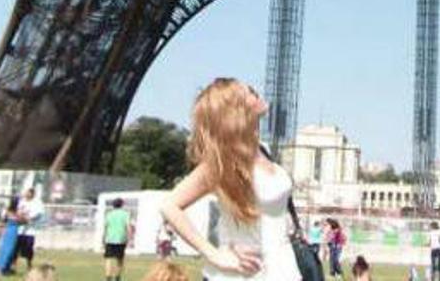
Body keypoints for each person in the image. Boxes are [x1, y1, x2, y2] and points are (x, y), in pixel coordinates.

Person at [160, 78, 299, 280]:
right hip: (244, 273)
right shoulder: (222, 162)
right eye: (249, 92)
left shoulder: (263, 150)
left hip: (282, 268)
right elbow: (169, 205)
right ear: (235, 109)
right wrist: (214, 254)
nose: (256, 92)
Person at [104, 197, 133, 281]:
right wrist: (130, 238)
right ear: (122, 205)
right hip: (121, 239)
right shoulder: (125, 214)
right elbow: (128, 227)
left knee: (108, 259)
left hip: (110, 238)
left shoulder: (109, 214)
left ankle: (108, 277)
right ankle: (117, 277)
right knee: (119, 259)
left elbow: (106, 227)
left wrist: (104, 238)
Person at [16, 188, 45, 271]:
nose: (26, 194)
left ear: (32, 194)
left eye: (28, 193)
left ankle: (29, 263)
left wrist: (30, 218)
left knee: (29, 247)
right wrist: (21, 217)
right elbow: (19, 211)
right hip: (20, 229)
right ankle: (14, 264)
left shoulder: (37, 202)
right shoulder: (22, 201)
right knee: (17, 248)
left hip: (30, 230)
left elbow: (39, 214)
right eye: (26, 193)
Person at [0, 199, 21, 275]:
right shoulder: (13, 213)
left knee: (7, 249)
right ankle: (0, 268)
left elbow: (2, 222)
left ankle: (4, 268)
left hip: (10, 231)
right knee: (7, 250)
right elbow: (20, 220)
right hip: (11, 231)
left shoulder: (10, 212)